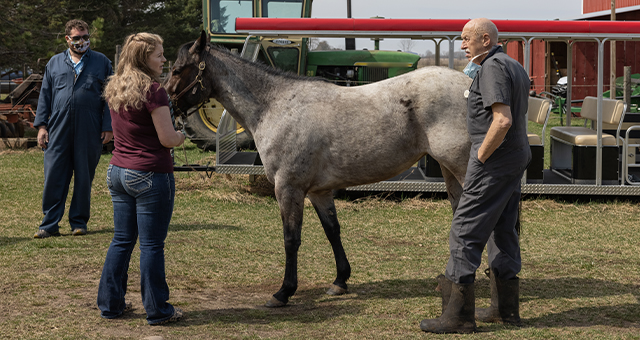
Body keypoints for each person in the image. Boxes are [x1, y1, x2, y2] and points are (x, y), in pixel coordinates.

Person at [420, 18, 531, 334]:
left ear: (486, 38)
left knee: (465, 229)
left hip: (494, 161)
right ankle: (505, 309)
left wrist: (481, 157)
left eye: (467, 38)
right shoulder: (512, 64)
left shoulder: (493, 68)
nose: (463, 43)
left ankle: (457, 317)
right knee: (503, 228)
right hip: (513, 158)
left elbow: (502, 120)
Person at [96, 32, 185, 325]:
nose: (163, 60)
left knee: (122, 240)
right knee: (151, 245)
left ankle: (111, 304)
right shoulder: (154, 91)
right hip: (149, 175)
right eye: (159, 54)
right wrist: (182, 136)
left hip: (118, 171)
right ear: (143, 57)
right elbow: (167, 138)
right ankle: (158, 310)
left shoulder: (114, 86)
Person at [33, 19, 113, 238]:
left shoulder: (102, 62)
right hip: (58, 128)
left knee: (84, 177)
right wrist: (41, 126)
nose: (82, 41)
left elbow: (110, 97)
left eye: (85, 37)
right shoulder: (54, 63)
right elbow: (45, 96)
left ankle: (79, 222)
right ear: (67, 39)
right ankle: (49, 225)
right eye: (77, 38)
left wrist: (108, 126)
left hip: (90, 128)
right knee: (54, 176)